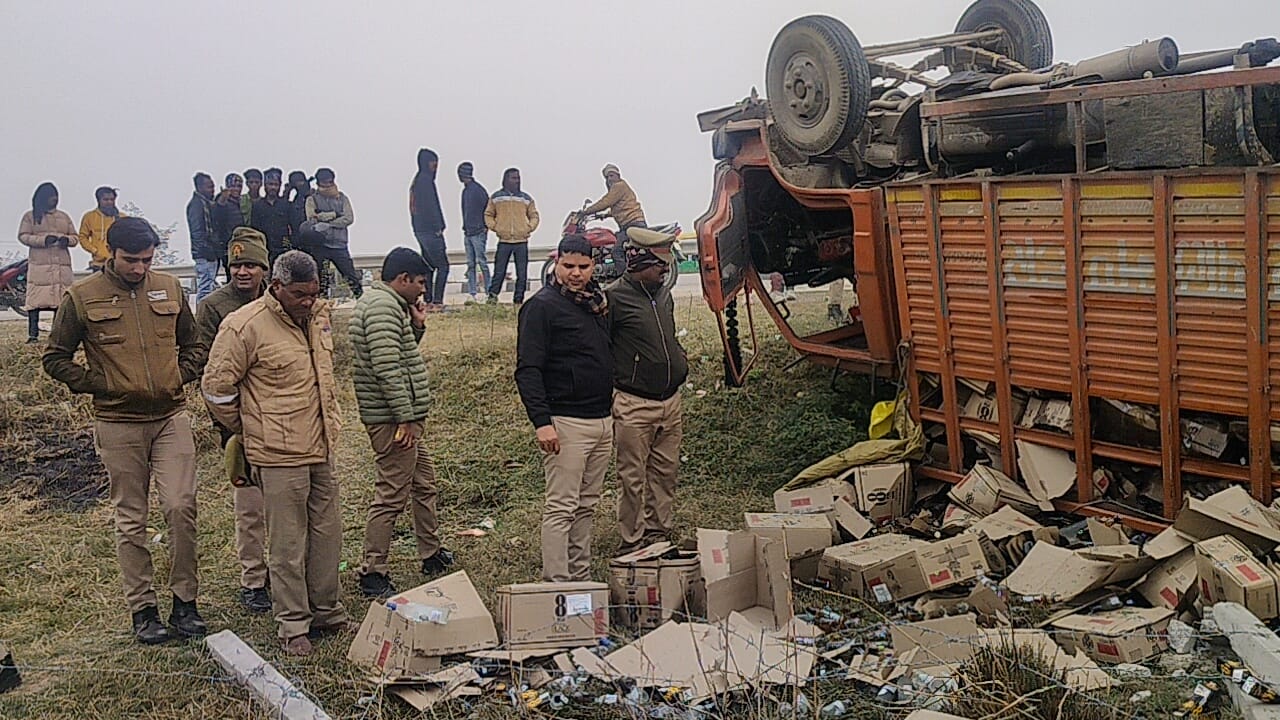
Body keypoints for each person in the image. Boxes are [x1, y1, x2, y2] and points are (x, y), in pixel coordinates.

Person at [43, 217, 206, 644]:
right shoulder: (80, 297)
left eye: (147, 260)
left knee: (180, 506)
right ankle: (144, 610)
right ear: (110, 254)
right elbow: (55, 358)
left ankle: (185, 603)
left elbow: (195, 346)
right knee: (131, 519)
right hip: (117, 422)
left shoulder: (170, 288)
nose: (139, 268)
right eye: (131, 260)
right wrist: (103, 384)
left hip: (171, 416)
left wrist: (179, 376)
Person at [202, 250, 349, 656]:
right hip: (277, 453)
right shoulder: (243, 326)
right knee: (287, 544)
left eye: (313, 293)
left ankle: (326, 611)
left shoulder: (318, 316)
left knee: (327, 535)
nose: (307, 301)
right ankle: (293, 624)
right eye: (299, 294)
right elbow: (216, 388)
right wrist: (250, 427)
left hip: (321, 446)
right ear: (277, 287)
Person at [350, 248, 454, 599]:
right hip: (392, 420)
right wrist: (406, 418)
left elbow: (400, 352)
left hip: (395, 416)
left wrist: (417, 325)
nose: (423, 290)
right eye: (421, 283)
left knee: (423, 482)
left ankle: (431, 552)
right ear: (403, 279)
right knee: (391, 494)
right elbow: (388, 368)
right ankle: (373, 571)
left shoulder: (389, 306)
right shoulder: (382, 308)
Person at [515, 235, 612, 582]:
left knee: (586, 506)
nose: (575, 274)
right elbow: (528, 369)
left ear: (593, 266)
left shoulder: (596, 302)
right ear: (556, 264)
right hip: (566, 422)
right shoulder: (541, 306)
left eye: (583, 267)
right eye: (568, 266)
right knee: (562, 508)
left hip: (602, 419)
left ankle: (580, 578)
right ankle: (556, 584)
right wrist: (542, 422)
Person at [193, 228, 271, 615]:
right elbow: (211, 370)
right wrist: (230, 427)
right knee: (250, 506)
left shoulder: (279, 300)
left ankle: (287, 572)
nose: (243, 272)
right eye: (237, 264)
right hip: (238, 422)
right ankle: (254, 579)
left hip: (280, 418)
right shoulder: (213, 307)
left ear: (264, 268)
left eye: (251, 265)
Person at [606, 230, 688, 555]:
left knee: (666, 473)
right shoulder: (614, 298)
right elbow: (602, 348)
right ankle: (631, 540)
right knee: (632, 478)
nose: (666, 271)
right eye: (660, 265)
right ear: (639, 263)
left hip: (671, 401)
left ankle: (659, 533)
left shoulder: (663, 295)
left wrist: (679, 357)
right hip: (633, 403)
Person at [18, 183, 78, 344]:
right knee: (35, 302)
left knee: (61, 302)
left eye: (56, 195)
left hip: (61, 264)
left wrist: (67, 240)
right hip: (40, 264)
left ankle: (57, 335)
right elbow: (23, 236)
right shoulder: (30, 216)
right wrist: (43, 240)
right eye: (51, 195)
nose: (55, 199)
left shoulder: (64, 217)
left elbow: (75, 237)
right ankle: (33, 335)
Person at [302, 167, 362, 298]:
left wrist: (326, 220)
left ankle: (361, 301)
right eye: (325, 182)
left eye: (330, 181)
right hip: (321, 245)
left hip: (340, 245)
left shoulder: (342, 198)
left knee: (351, 278)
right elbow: (312, 219)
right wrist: (335, 215)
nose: (328, 185)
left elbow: (348, 218)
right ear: (318, 183)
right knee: (321, 281)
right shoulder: (312, 199)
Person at [485, 168, 539, 305]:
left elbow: (534, 215)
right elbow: (488, 214)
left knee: (522, 273)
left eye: (518, 178)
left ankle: (518, 299)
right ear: (506, 179)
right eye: (513, 178)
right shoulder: (496, 197)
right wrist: (495, 227)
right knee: (499, 271)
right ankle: (492, 297)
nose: (517, 181)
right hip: (504, 241)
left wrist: (529, 228)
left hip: (521, 241)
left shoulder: (526, 198)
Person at [409, 149, 449, 309]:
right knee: (443, 266)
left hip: (419, 230)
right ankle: (437, 301)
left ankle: (429, 299)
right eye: (433, 162)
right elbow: (430, 207)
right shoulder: (425, 181)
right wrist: (438, 227)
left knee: (429, 266)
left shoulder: (417, 181)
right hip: (430, 230)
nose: (436, 166)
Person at [458, 162, 491, 304]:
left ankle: (489, 291)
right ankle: (472, 292)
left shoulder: (478, 190)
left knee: (481, 262)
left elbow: (488, 209)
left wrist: (485, 226)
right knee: (470, 264)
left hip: (478, 231)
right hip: (468, 231)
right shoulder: (466, 191)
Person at [187, 172, 221, 301]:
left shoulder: (206, 204)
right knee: (205, 288)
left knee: (209, 286)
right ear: (199, 187)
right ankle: (202, 318)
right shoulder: (196, 205)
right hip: (204, 254)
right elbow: (197, 232)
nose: (212, 190)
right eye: (209, 187)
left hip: (208, 252)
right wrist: (207, 251)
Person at [251, 168, 292, 266]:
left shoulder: (286, 204)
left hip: (282, 246)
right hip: (264, 247)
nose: (273, 187)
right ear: (265, 185)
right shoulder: (257, 205)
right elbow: (254, 227)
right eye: (270, 184)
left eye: (276, 184)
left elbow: (292, 226)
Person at [78, 186, 123, 271]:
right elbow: (82, 237)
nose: (109, 202)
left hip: (118, 264)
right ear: (98, 200)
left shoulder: (122, 217)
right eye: (105, 199)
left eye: (112, 199)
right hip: (98, 265)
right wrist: (95, 251)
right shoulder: (89, 217)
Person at [212, 173, 245, 282]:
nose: (236, 189)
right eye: (233, 186)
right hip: (228, 245)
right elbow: (217, 218)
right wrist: (222, 200)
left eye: (239, 186)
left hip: (242, 243)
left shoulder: (242, 202)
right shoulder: (222, 201)